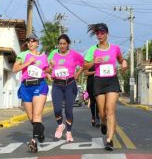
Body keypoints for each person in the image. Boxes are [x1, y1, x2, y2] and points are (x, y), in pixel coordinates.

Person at [84, 23, 127, 151]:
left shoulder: (115, 48)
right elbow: (85, 66)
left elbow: (121, 60)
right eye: (97, 33)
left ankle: (109, 140)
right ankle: (103, 122)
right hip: (99, 81)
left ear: (107, 34)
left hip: (112, 80)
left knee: (110, 110)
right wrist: (93, 62)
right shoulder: (93, 50)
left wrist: (124, 63)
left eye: (102, 33)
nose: (99, 35)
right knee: (102, 113)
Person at [13, 34, 50, 153]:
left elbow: (46, 69)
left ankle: (33, 142)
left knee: (37, 115)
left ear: (37, 43)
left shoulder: (44, 56)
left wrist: (50, 71)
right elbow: (14, 69)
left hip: (39, 85)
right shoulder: (23, 55)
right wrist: (27, 63)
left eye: (33, 41)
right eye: (28, 41)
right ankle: (40, 129)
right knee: (31, 118)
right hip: (26, 87)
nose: (30, 43)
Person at [48, 34, 84, 142]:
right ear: (58, 45)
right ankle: (60, 125)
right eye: (60, 44)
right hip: (57, 85)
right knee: (57, 109)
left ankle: (69, 132)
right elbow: (47, 68)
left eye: (64, 44)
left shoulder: (74, 54)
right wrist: (50, 69)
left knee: (68, 110)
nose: (62, 46)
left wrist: (78, 73)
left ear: (68, 44)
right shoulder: (53, 54)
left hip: (70, 84)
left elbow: (84, 64)